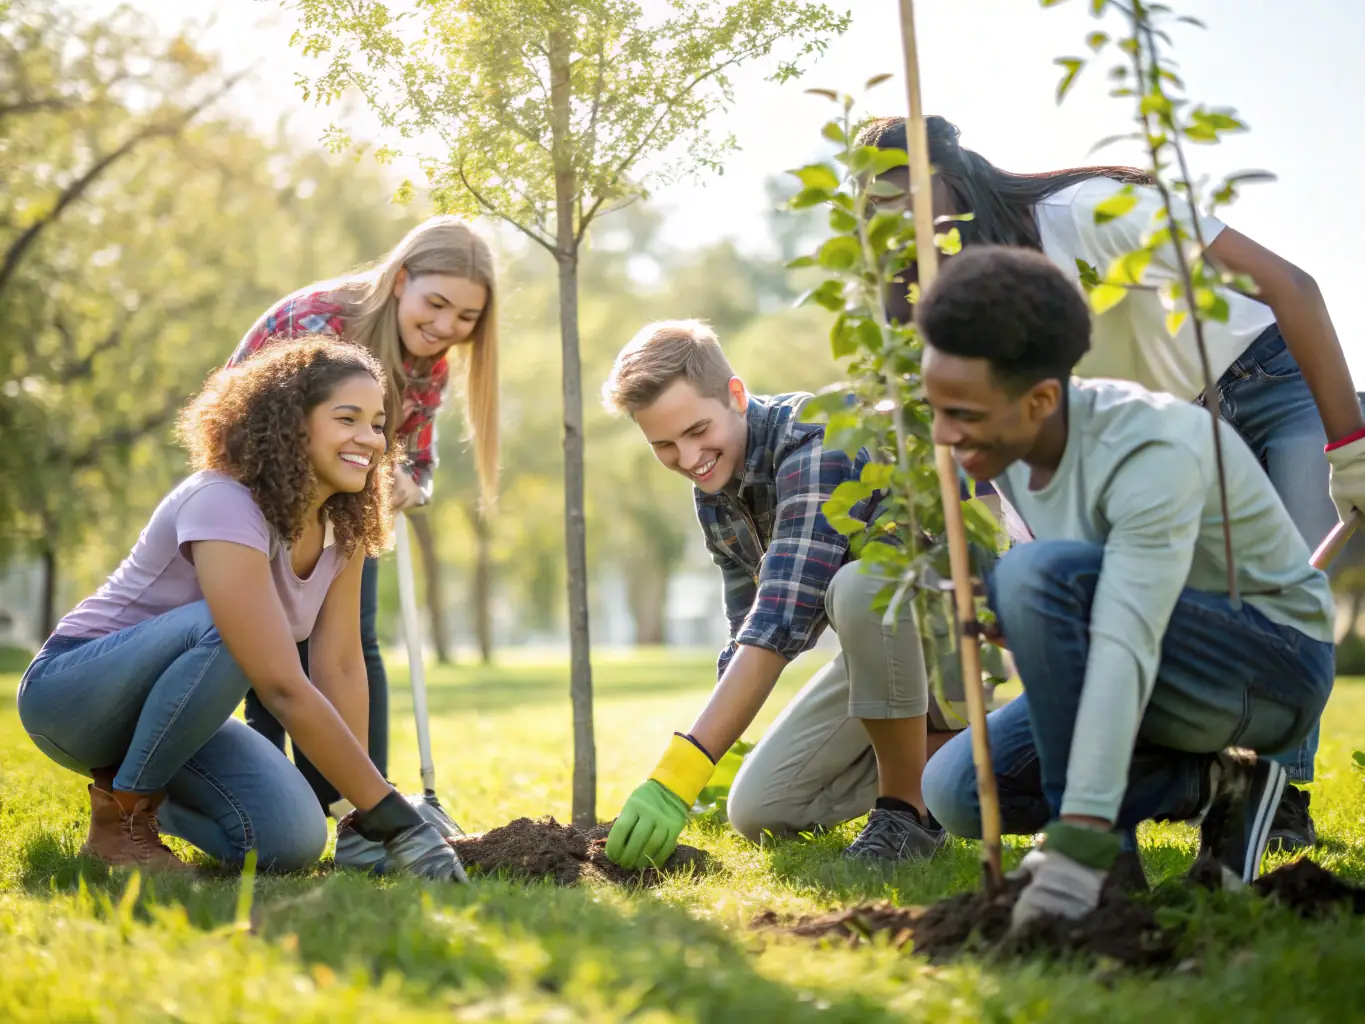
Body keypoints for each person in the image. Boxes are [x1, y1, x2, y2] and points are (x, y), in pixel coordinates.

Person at [856, 113, 1361, 851]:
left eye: (910, 201)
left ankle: (1280, 802)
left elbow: (1292, 286)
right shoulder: (983, 310)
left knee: (1280, 604)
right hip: (1174, 431)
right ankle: (1209, 780)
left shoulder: (1089, 212)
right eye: (881, 217)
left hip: (1267, 379)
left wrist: (1349, 447)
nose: (910, 234)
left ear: (954, 182)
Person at [913, 246, 1334, 925]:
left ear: (1042, 398)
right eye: (935, 407)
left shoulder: (1152, 450)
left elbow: (1121, 643)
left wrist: (1078, 836)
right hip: (1159, 653)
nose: (942, 433)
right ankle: (1219, 785)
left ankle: (1094, 856)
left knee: (1032, 575)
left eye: (960, 413)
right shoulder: (1013, 447)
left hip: (1268, 660)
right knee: (957, 790)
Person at [15, 337, 466, 880]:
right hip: (73, 696)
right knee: (225, 628)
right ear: (289, 422)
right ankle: (122, 824)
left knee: (288, 842)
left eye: (376, 424)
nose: (369, 440)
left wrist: (359, 814)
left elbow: (339, 668)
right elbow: (278, 683)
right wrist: (396, 816)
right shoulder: (223, 500)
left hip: (176, 721)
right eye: (347, 418)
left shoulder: (343, 529)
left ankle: (149, 796)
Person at [597, 319, 960, 869]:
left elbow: (780, 620)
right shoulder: (717, 492)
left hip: (958, 638)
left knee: (862, 585)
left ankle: (909, 813)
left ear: (736, 395)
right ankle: (944, 765)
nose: (689, 456)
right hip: (888, 663)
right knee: (761, 809)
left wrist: (682, 772)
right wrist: (711, 752)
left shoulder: (817, 438)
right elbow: (746, 632)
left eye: (697, 430)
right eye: (664, 445)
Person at [226, 215, 500, 832]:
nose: (447, 327)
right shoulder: (318, 321)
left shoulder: (432, 361)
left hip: (345, 499)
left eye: (466, 318)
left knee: (355, 641)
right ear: (401, 280)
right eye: (436, 304)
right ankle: (273, 797)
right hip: (257, 494)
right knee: (276, 647)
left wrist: (410, 483)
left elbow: (420, 460)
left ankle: (361, 807)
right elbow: (263, 435)